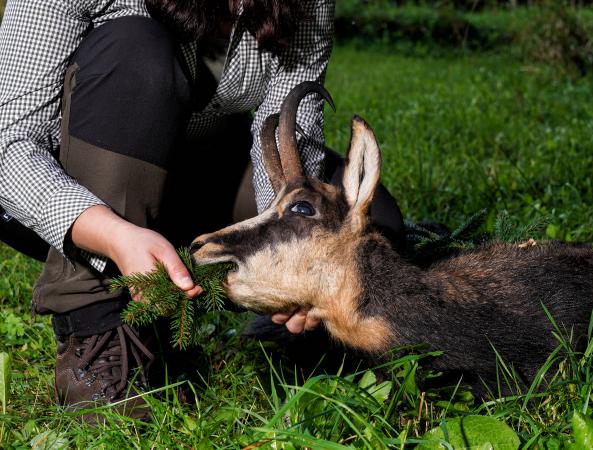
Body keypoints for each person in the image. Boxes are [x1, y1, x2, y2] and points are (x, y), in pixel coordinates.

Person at [0, 0, 403, 416]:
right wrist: (113, 234)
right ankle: (96, 326)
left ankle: (274, 325)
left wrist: (293, 254)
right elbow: (6, 146)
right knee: (135, 44)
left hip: (190, 164)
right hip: (68, 180)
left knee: (375, 226)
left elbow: (290, 131)